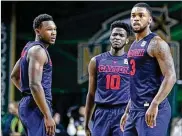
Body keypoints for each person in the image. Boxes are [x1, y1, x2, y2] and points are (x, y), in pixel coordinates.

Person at [120, 3, 176, 136]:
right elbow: (136, 82)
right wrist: (128, 111)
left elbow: (171, 76)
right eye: (133, 16)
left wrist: (155, 103)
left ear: (150, 19)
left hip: (152, 108)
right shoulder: (133, 45)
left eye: (141, 15)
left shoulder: (157, 43)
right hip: (134, 110)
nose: (136, 19)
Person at [11, 14, 57, 136]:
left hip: (29, 104)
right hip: (36, 107)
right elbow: (35, 85)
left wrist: (28, 94)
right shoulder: (38, 51)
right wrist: (48, 115)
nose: (53, 33)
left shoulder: (28, 48)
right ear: (38, 31)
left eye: (54, 29)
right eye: (49, 29)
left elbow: (14, 76)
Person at [84, 20, 131, 136]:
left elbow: (137, 92)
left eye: (121, 35)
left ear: (127, 40)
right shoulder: (96, 61)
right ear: (110, 37)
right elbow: (91, 94)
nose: (117, 37)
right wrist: (86, 123)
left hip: (123, 111)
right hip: (101, 112)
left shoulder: (132, 62)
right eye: (114, 34)